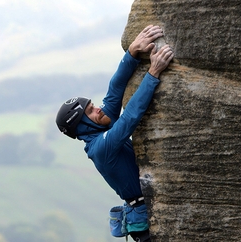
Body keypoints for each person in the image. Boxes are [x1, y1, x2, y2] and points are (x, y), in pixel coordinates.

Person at [55, 25, 174, 242]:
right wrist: (153, 73)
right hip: (145, 227)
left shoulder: (100, 125)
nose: (98, 109)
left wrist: (132, 52)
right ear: (81, 126)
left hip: (151, 210)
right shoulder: (100, 148)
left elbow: (115, 89)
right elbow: (129, 119)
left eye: (92, 105)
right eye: (90, 111)